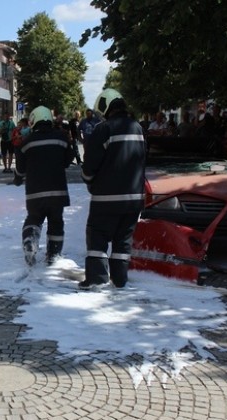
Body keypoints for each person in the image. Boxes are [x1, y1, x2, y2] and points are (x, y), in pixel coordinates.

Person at [79, 88, 147, 290]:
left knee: (98, 235)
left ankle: (97, 279)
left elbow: (90, 165)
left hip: (106, 198)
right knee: (123, 240)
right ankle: (120, 279)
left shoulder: (104, 129)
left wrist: (89, 180)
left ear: (106, 106)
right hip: (134, 198)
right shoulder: (137, 127)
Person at [12, 105, 73, 266]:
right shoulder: (62, 138)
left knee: (34, 218)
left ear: (34, 121)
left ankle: (30, 241)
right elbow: (68, 161)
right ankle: (53, 255)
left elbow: (20, 169)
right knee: (56, 222)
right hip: (57, 192)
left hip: (35, 193)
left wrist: (17, 179)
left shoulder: (26, 142)